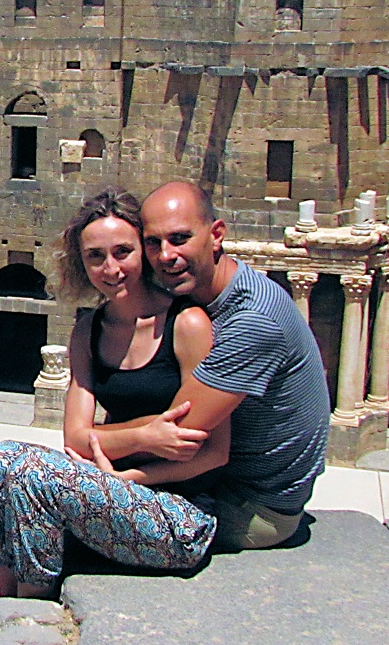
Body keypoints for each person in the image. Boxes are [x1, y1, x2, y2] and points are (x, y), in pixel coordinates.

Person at [0, 188, 228, 604]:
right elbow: (75, 439)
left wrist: (128, 475)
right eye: (95, 256)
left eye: (123, 251)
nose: (111, 268)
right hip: (111, 495)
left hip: (180, 518)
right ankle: (7, 596)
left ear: (144, 252)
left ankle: (32, 607)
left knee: (32, 474)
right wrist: (147, 436)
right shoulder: (88, 331)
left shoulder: (187, 326)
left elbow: (214, 451)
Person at [137, 180, 331, 550]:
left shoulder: (252, 320)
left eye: (179, 238)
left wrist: (91, 439)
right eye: (153, 242)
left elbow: (176, 434)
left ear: (217, 235)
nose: (165, 255)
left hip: (251, 507)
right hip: (223, 482)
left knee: (80, 503)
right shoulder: (217, 293)